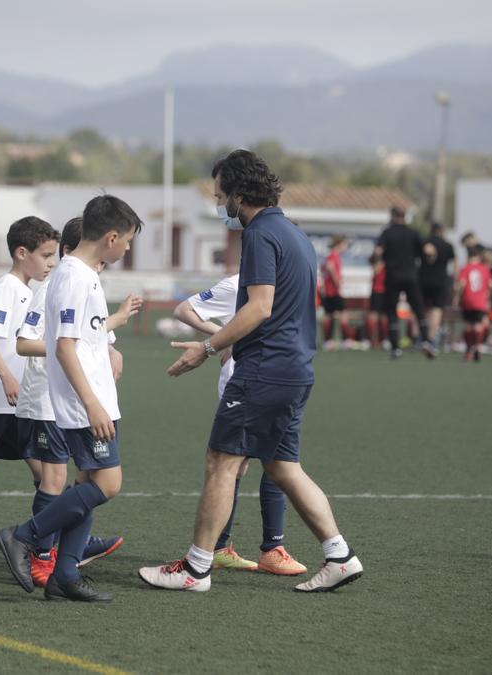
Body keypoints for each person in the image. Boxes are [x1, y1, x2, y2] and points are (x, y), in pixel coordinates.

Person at [138, 149, 362, 594]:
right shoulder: (296, 235)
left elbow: (259, 308)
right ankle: (340, 556)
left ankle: (196, 568)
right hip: (297, 370)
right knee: (283, 468)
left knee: (221, 461)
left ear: (241, 195)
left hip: (263, 370)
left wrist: (207, 346)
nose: (222, 206)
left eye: (222, 196)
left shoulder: (259, 234)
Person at [0, 194, 143, 603]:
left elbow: (85, 340)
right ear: (111, 237)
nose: (128, 248)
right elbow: (64, 347)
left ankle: (65, 575)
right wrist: (92, 403)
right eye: (127, 240)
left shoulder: (75, 273)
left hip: (91, 397)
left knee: (89, 479)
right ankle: (23, 536)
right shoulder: (75, 277)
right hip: (85, 402)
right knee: (108, 483)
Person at [174, 272, 306, 576]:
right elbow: (184, 310)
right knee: (253, 461)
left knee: (272, 459)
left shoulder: (289, 281)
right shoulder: (238, 283)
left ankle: (237, 548)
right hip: (246, 379)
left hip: (280, 375)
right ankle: (262, 549)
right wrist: (224, 338)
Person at [0, 217, 60, 489]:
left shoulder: (27, 290)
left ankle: (54, 532)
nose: (51, 263)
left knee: (47, 472)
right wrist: (7, 376)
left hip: (17, 400)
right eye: (46, 255)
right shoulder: (7, 287)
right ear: (22, 253)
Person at [377, 206, 433, 359]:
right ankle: (426, 341)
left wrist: (375, 260)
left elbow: (378, 252)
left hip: (393, 276)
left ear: (392, 216)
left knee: (392, 311)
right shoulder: (413, 232)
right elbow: (428, 251)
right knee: (418, 309)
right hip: (411, 276)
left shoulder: (387, 233)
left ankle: (395, 348)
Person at [420, 223, 455, 349]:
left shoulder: (424, 242)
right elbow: (454, 263)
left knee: (424, 309)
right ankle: (430, 339)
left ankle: (421, 338)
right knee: (437, 310)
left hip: (423, 280)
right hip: (441, 282)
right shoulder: (447, 245)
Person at [454, 248, 492, 362]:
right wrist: (488, 298)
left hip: (467, 300)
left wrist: (457, 297)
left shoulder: (465, 268)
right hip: (481, 302)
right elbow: (491, 285)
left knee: (468, 325)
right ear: (478, 258)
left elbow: (461, 284)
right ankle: (477, 348)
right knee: (478, 325)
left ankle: (468, 350)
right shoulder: (484, 269)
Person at [319, 235, 353, 351]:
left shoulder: (329, 256)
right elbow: (330, 267)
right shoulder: (333, 256)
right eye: (344, 245)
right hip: (333, 291)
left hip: (328, 291)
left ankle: (329, 341)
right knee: (343, 315)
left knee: (330, 315)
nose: (345, 248)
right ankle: (346, 341)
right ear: (339, 244)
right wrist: (337, 282)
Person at [365, 252, 388, 349]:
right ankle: (372, 340)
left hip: (385, 291)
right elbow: (371, 261)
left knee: (384, 316)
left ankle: (384, 340)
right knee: (373, 316)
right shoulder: (379, 260)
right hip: (377, 291)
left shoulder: (388, 260)